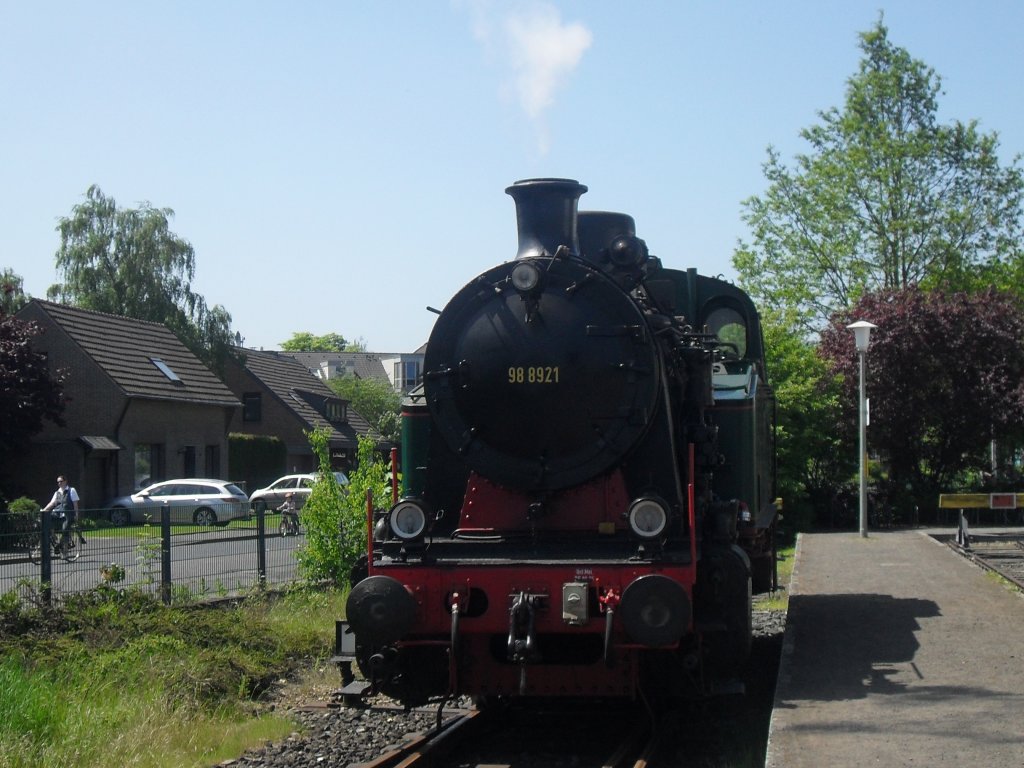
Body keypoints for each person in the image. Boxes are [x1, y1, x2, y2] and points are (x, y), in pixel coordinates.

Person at [42, 475, 86, 546]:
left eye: (61, 481)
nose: (59, 483)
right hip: (57, 514)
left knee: (65, 529)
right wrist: (44, 510)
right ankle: (53, 536)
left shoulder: (71, 490)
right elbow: (52, 503)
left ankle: (64, 550)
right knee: (47, 519)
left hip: (67, 515)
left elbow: (75, 504)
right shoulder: (57, 493)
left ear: (65, 481)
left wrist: (76, 515)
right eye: (58, 482)